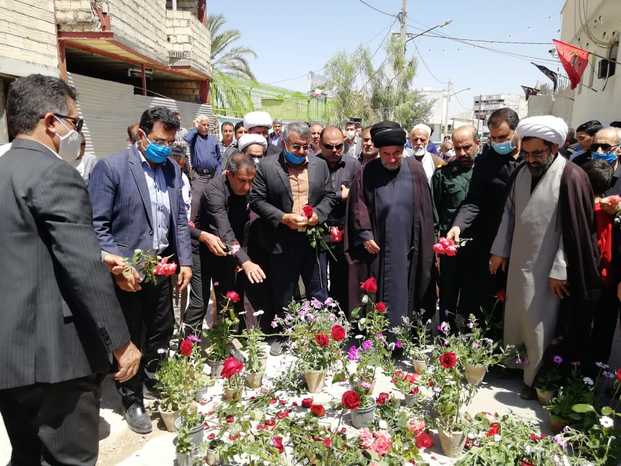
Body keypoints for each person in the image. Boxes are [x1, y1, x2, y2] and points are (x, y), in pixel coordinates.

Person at [0, 74, 141, 465]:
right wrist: (121, 343)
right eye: (75, 122)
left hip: (10, 354)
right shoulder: (55, 173)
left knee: (26, 455)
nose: (77, 132)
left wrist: (98, 256)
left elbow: (22, 244)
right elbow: (81, 269)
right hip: (58, 359)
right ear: (51, 122)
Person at [89, 106, 193, 434]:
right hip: (128, 273)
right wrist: (120, 267)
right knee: (132, 335)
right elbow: (98, 225)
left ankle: (152, 379)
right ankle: (131, 398)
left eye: (171, 142)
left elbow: (179, 219)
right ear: (142, 135)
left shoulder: (172, 169)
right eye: (160, 141)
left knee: (162, 329)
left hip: (162, 267)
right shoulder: (112, 167)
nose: (166, 148)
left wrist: (185, 261)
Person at [490, 115, 600, 399]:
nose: (531, 159)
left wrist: (560, 269)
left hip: (549, 269)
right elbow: (509, 213)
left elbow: (574, 230)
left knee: (540, 323)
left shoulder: (571, 176)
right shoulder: (521, 172)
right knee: (516, 317)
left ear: (554, 147)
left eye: (537, 153)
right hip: (519, 262)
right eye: (526, 153)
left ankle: (536, 379)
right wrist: (500, 250)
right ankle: (514, 366)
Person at [249, 121, 336, 353]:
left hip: (312, 239)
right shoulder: (267, 166)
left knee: (317, 289)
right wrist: (282, 217)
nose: (301, 152)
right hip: (281, 239)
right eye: (296, 147)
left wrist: (318, 214)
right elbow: (256, 200)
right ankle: (283, 333)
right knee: (283, 290)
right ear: (284, 143)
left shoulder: (320, 165)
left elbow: (329, 196)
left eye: (305, 147)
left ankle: (319, 335)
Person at [347, 121, 434, 328]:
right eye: (386, 154)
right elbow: (358, 205)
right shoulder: (366, 171)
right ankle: (379, 333)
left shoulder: (415, 169)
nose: (392, 158)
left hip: (409, 245)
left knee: (408, 288)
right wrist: (365, 233)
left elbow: (426, 210)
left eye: (397, 153)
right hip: (379, 245)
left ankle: (407, 331)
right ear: (379, 151)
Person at [446, 108, 522, 321]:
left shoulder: (530, 159)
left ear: (517, 132)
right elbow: (474, 201)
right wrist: (458, 225)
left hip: (521, 242)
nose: (498, 143)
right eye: (493, 138)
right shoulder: (486, 162)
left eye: (503, 137)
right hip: (490, 241)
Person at [201, 152, 266, 329]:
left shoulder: (246, 187)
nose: (247, 187)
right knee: (224, 295)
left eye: (251, 181)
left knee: (244, 291)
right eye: (242, 181)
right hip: (214, 247)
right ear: (229, 174)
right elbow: (223, 230)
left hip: (239, 243)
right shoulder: (214, 190)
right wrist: (244, 260)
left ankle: (244, 331)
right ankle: (223, 334)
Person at [432, 126, 478, 326]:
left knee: (473, 294)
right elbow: (434, 211)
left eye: (467, 147)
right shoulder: (443, 174)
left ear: (477, 143)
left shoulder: (485, 172)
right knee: (448, 292)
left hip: (478, 246)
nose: (462, 153)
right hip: (450, 247)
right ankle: (445, 332)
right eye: (458, 148)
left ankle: (471, 334)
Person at [316, 126, 361, 311]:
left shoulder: (353, 165)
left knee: (342, 278)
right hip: (319, 230)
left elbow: (360, 196)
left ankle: (340, 315)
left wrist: (350, 195)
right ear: (320, 144)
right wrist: (338, 195)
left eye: (339, 146)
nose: (334, 151)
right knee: (318, 278)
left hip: (344, 231)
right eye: (329, 147)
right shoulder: (312, 164)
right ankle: (320, 315)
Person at [184, 114, 221, 330]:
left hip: (212, 176)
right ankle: (194, 234)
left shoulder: (213, 140)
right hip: (198, 176)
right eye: (203, 124)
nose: (205, 127)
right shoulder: (194, 136)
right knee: (195, 209)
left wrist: (217, 175)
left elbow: (218, 158)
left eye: (207, 125)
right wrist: (194, 127)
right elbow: (185, 140)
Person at [588, 128, 621, 367]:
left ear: (618, 149)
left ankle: (596, 370)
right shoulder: (584, 171)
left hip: (614, 262)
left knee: (605, 319)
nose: (599, 151)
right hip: (587, 257)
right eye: (595, 147)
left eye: (605, 147)